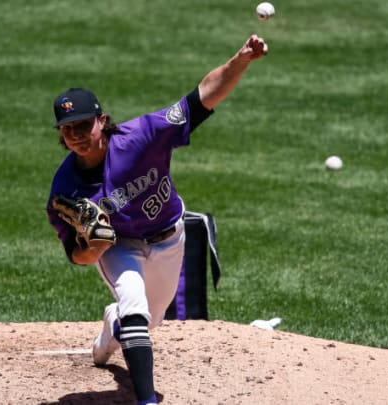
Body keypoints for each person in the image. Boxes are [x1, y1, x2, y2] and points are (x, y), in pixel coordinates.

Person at [46, 34, 268, 405]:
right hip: (120, 248)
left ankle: (110, 331)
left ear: (102, 121)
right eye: (68, 129)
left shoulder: (142, 136)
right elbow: (76, 255)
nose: (77, 135)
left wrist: (241, 59)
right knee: (135, 304)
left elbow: (201, 99)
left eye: (84, 125)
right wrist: (95, 245)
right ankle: (146, 400)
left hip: (169, 237)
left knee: (150, 320)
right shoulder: (65, 190)